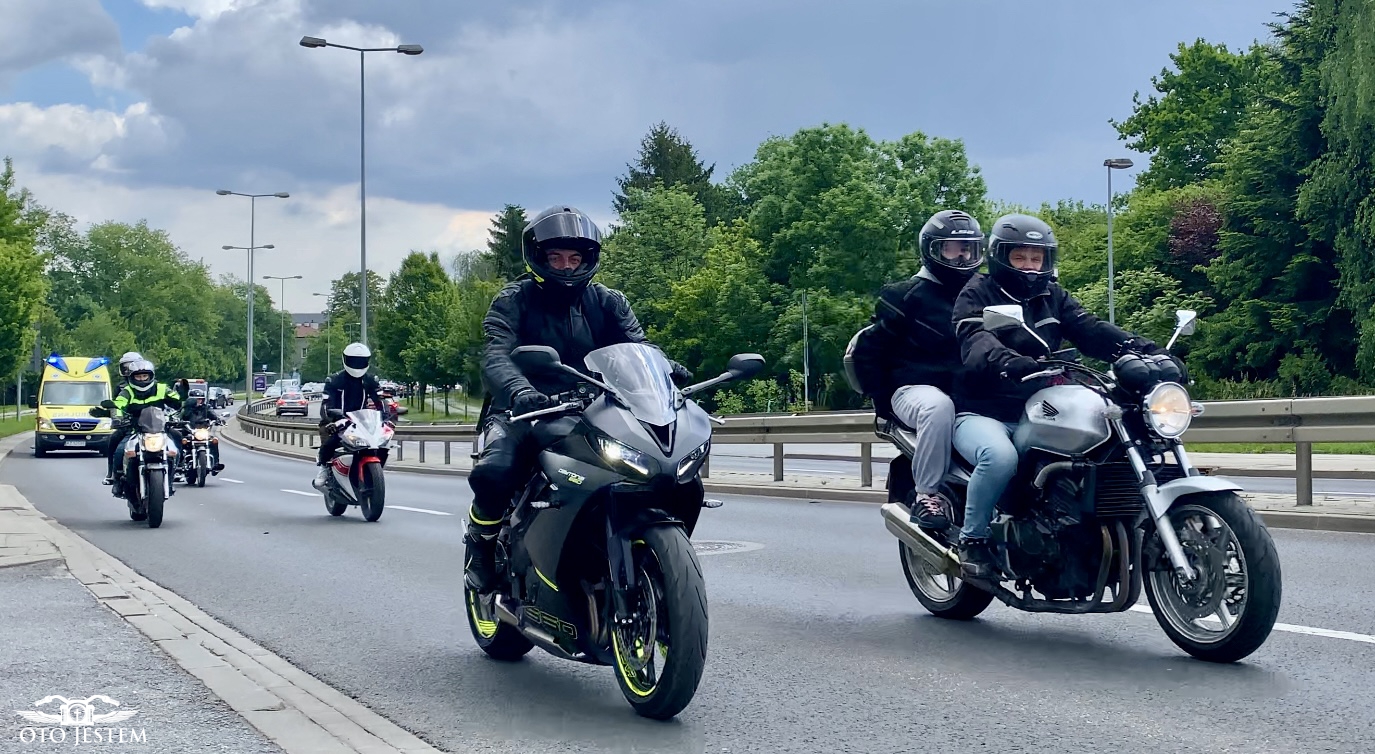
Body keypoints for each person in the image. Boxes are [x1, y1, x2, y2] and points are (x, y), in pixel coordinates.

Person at [465, 204, 691, 592]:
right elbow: (495, 354)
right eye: (556, 257)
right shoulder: (514, 300)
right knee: (495, 472)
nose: (567, 266)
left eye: (574, 258)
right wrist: (520, 390)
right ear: (538, 257)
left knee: (661, 471)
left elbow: (637, 347)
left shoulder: (608, 301)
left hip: (596, 408)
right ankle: (481, 545)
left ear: (588, 259)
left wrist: (665, 370)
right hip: (523, 409)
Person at [950, 213, 1169, 580]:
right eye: (1020, 257)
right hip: (986, 411)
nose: (1029, 266)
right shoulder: (977, 292)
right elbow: (976, 341)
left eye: (1036, 258)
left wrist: (1148, 351)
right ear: (1000, 257)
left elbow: (1091, 330)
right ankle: (973, 539)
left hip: (1043, 402)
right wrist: (1008, 361)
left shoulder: (1052, 295)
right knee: (1000, 458)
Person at [846, 209, 984, 530]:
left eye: (969, 249)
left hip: (972, 393)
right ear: (932, 249)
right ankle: (927, 495)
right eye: (952, 248)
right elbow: (870, 351)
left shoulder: (985, 293)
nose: (962, 257)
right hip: (914, 391)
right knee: (938, 407)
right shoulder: (903, 295)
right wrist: (882, 403)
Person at [312, 342, 385, 489]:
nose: (357, 364)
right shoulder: (334, 380)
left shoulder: (370, 380)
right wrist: (331, 417)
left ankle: (372, 474)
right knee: (331, 441)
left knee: (379, 443)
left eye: (360, 361)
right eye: (354, 361)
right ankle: (324, 467)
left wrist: (387, 414)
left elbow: (381, 400)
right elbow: (326, 404)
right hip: (337, 420)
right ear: (345, 359)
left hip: (361, 421)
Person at [109, 360, 184, 493]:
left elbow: (177, 400)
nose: (142, 379)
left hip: (159, 429)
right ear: (132, 377)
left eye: (145, 376)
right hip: (134, 429)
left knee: (176, 442)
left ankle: (175, 473)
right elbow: (118, 405)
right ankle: (117, 480)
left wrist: (181, 402)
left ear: (151, 376)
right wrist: (117, 418)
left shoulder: (161, 388)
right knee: (120, 450)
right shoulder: (127, 391)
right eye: (138, 376)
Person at [102, 351, 144, 484]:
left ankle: (177, 470)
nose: (128, 370)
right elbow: (116, 405)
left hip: (152, 426)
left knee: (176, 438)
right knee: (115, 443)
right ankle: (113, 474)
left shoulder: (153, 385)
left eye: (131, 366)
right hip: (129, 425)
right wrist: (117, 418)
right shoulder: (121, 387)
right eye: (125, 367)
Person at [178, 390, 225, 474]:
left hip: (203, 432)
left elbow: (213, 415)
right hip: (189, 432)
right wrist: (179, 422)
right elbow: (180, 417)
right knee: (182, 442)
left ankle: (215, 464)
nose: (199, 401)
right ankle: (179, 465)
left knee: (214, 441)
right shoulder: (186, 409)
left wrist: (218, 419)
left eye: (200, 399)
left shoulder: (206, 408)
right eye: (196, 399)